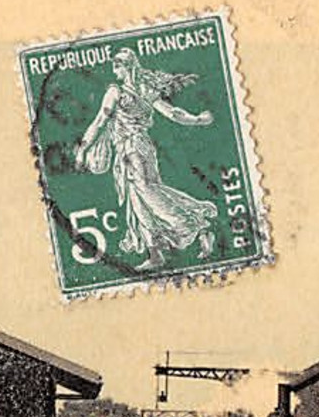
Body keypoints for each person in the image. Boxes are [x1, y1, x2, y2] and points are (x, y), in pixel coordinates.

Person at [74, 48, 219, 271]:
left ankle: (197, 227)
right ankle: (156, 253)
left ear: (127, 66)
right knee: (139, 202)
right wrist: (197, 120)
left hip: (131, 150)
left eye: (117, 65)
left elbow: (100, 120)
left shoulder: (116, 92)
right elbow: (174, 113)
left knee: (148, 194)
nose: (114, 70)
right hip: (143, 149)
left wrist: (83, 148)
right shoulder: (146, 90)